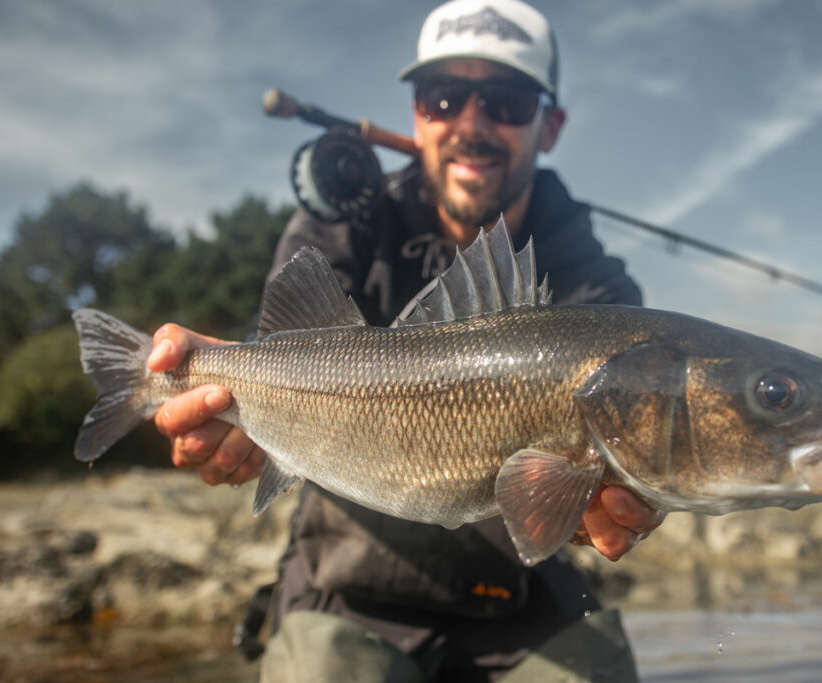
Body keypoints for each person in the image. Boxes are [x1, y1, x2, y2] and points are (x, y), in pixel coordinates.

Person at [147, 1, 664, 680]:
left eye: (507, 102)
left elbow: (617, 467)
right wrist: (225, 405)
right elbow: (273, 354)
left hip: (523, 585)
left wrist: (618, 495)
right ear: (418, 114)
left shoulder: (597, 286)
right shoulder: (343, 224)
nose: (471, 124)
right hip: (346, 580)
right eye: (443, 97)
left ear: (552, 124)